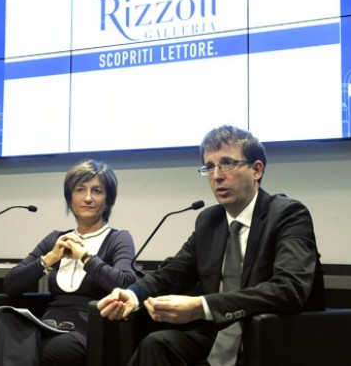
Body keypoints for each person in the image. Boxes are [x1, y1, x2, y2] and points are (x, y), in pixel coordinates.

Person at [97, 125, 324, 366]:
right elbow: (173, 272)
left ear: (256, 169)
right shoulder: (209, 220)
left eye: (227, 164)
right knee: (156, 344)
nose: (217, 175)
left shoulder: (288, 214)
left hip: (269, 337)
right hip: (217, 335)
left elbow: (289, 289)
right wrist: (134, 294)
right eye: (210, 167)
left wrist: (202, 306)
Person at [0, 159, 137, 366]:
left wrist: (86, 257)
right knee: (6, 322)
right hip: (46, 324)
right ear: (70, 200)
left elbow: (125, 283)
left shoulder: (118, 238)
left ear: (108, 201)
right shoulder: (56, 239)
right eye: (80, 190)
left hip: (87, 330)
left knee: (32, 353)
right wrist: (50, 258)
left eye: (96, 191)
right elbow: (11, 284)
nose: (88, 198)